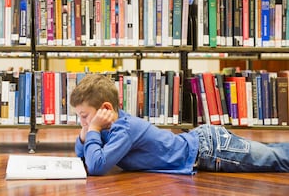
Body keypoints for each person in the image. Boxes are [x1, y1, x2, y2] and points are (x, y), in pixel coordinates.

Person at [70, 73, 289, 175]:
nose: (83, 122)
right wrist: (84, 135)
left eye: (84, 115)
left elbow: (97, 166)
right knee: (271, 152)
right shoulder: (109, 126)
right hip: (204, 146)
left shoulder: (124, 129)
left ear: (106, 109)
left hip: (210, 149)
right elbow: (85, 158)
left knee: (275, 160)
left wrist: (93, 130)